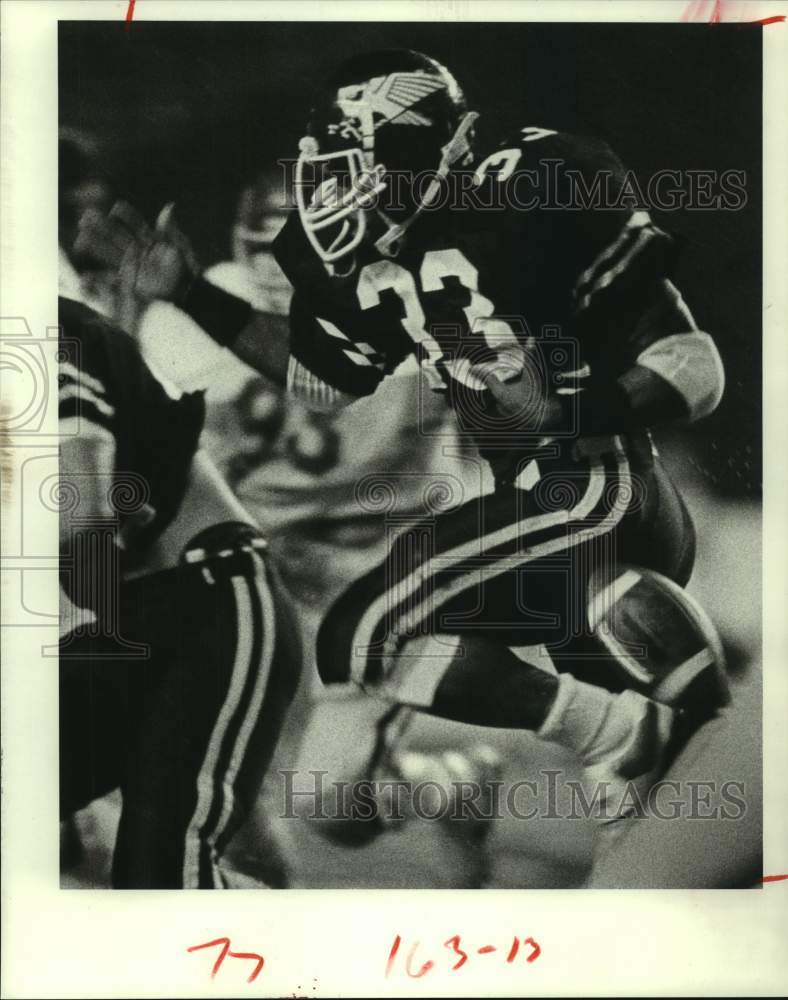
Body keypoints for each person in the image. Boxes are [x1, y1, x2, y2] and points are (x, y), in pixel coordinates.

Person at [75, 49, 731, 834]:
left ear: (408, 142)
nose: (333, 193)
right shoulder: (400, 259)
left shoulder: (530, 181)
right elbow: (324, 377)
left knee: (369, 633)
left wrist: (577, 412)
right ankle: (641, 738)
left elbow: (693, 362)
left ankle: (639, 725)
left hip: (587, 483)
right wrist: (190, 296)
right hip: (528, 504)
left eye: (349, 166)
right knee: (341, 797)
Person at [58, 294, 300, 887]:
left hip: (201, 603)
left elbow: (82, 513)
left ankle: (310, 951)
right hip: (110, 618)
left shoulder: (32, 330)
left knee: (163, 878)